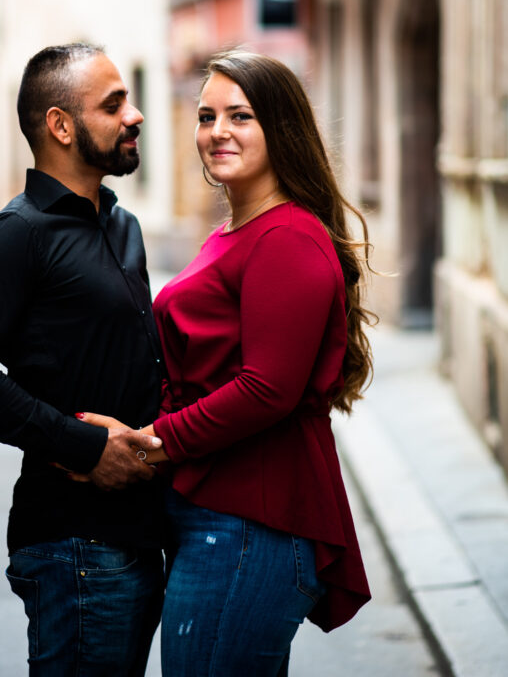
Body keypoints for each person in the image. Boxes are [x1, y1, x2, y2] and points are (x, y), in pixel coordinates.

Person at [75, 49, 374, 676]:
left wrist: (149, 446)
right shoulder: (237, 231)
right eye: (206, 116)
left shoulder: (286, 237)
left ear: (281, 128)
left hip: (249, 522)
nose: (217, 132)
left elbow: (267, 389)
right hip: (220, 514)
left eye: (240, 116)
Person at [0, 43, 165, 677]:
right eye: (113, 105)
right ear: (61, 125)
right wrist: (85, 448)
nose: (135, 115)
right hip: (75, 546)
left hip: (140, 534)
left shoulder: (122, 225)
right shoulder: (16, 233)